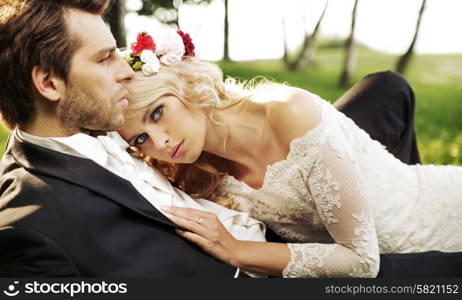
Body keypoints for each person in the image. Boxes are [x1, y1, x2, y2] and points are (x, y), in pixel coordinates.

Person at [119, 31, 462, 278]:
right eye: (141, 138)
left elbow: (360, 261)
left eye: (158, 112)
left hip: (440, 218)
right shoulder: (196, 175)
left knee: (387, 86)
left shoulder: (289, 112)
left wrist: (237, 250)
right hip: (393, 257)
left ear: (181, 85)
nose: (160, 142)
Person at [0, 0, 266, 277]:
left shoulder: (115, 122)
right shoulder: (30, 226)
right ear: (49, 83)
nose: (127, 71)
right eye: (104, 59)